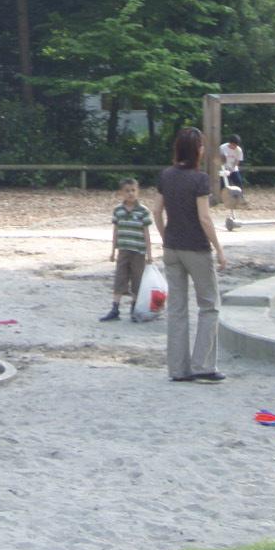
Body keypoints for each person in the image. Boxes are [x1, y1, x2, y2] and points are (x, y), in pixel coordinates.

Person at [154, 126, 228, 383]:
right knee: (209, 305)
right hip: (196, 248)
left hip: (172, 247)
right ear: (198, 150)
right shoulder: (200, 179)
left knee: (177, 308)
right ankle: (203, 365)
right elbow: (204, 218)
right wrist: (219, 248)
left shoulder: (166, 175)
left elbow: (156, 211)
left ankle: (178, 368)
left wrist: (165, 236)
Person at [99, 178, 153, 322]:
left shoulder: (143, 211)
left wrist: (149, 254)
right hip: (123, 250)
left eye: (133, 190)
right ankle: (115, 308)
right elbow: (116, 230)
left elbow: (146, 233)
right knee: (120, 278)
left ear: (138, 191)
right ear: (121, 193)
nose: (130, 194)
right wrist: (113, 251)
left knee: (137, 279)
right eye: (127, 191)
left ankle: (134, 308)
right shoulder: (118, 210)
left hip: (138, 251)